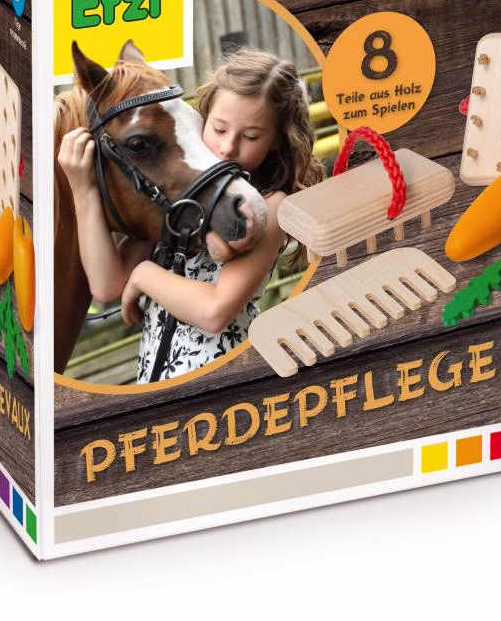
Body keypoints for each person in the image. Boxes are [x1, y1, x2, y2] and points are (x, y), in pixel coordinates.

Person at [57, 48, 323, 382]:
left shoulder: (270, 204)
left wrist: (142, 275)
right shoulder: (181, 202)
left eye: (251, 136)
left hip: (221, 382)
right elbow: (107, 285)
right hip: (154, 384)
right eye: (219, 129)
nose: (228, 147)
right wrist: (83, 189)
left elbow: (214, 312)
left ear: (276, 140)